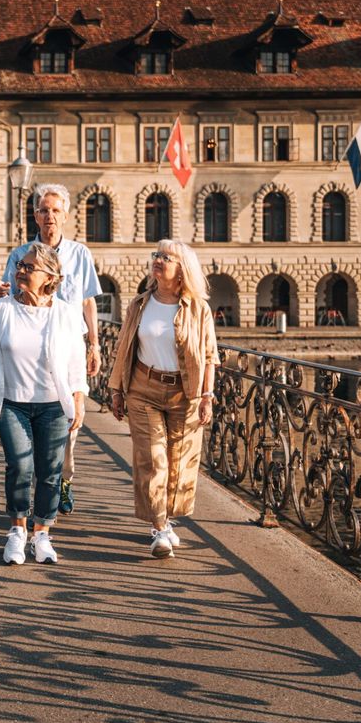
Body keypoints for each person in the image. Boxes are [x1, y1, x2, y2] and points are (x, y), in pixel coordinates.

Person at [0, 184, 101, 515]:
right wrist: (1, 290)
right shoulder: (20, 253)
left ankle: (60, 481)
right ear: (36, 215)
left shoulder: (80, 254)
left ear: (65, 215)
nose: (48, 215)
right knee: (28, 437)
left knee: (67, 427)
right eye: (43, 209)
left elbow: (87, 301)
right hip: (28, 351)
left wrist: (94, 344)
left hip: (66, 346)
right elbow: (8, 296)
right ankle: (34, 498)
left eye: (55, 210)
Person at [107, 240, 218, 559]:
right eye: (156, 255)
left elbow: (210, 356)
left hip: (186, 392)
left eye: (166, 257)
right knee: (152, 460)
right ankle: (158, 527)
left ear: (181, 269)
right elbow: (124, 347)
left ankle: (166, 520)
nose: (158, 260)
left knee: (178, 463)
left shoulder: (198, 308)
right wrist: (117, 389)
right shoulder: (140, 304)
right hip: (144, 389)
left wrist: (207, 396)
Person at [0, 242, 87, 566]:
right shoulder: (0, 310)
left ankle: (42, 533)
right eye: (20, 266)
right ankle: (17, 530)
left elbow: (75, 360)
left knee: (50, 471)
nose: (20, 271)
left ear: (49, 277)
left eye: (28, 267)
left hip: (54, 404)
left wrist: (78, 398)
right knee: (20, 465)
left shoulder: (66, 314)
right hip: (11, 402)